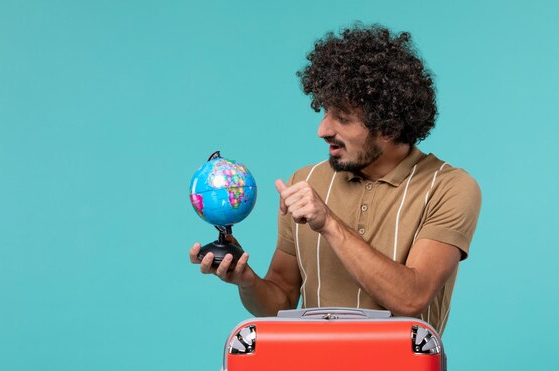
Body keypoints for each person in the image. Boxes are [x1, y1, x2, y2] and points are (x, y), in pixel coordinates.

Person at [190, 23, 481, 334]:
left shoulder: (449, 187)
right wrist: (246, 280)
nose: (323, 130)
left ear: (389, 127)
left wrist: (328, 223)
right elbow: (282, 299)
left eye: (342, 118)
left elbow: (411, 298)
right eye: (325, 112)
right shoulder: (305, 181)